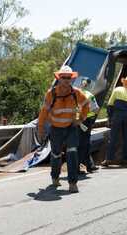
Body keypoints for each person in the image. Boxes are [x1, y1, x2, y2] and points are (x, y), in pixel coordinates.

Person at [38, 65, 89, 193]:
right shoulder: (52, 94)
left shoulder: (76, 93)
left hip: (71, 127)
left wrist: (80, 119)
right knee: (56, 154)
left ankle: (72, 183)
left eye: (68, 77)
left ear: (71, 79)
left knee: (72, 153)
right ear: (59, 78)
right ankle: (55, 177)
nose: (66, 80)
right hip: (55, 129)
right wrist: (40, 128)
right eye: (63, 77)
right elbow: (43, 112)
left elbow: (86, 104)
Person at [101, 75, 127, 167]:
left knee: (113, 138)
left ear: (124, 82)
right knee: (126, 139)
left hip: (117, 116)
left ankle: (108, 159)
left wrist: (110, 117)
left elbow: (110, 105)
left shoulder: (117, 90)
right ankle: (125, 159)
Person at [77, 78, 100, 174]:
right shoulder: (89, 95)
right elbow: (96, 109)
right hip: (86, 121)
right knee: (85, 143)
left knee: (76, 143)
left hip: (75, 121)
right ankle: (86, 166)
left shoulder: (73, 94)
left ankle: (89, 165)